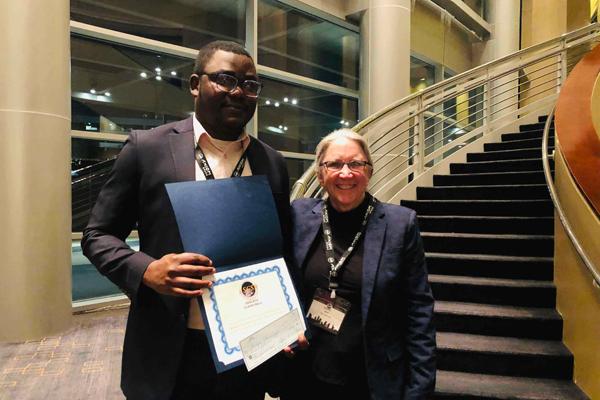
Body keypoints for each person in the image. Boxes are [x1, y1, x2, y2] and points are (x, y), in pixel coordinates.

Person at [81, 40, 291, 400]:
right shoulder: (147, 149)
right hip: (171, 346)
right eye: (225, 79)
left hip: (246, 346)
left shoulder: (271, 162)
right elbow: (97, 235)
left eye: (250, 84)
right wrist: (147, 270)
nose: (238, 92)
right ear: (195, 84)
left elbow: (280, 249)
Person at [288, 129, 436, 399]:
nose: (346, 173)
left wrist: (419, 389)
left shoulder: (400, 224)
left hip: (371, 379)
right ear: (320, 174)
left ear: (369, 171)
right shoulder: (299, 215)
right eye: (334, 164)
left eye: (355, 163)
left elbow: (419, 312)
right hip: (306, 375)